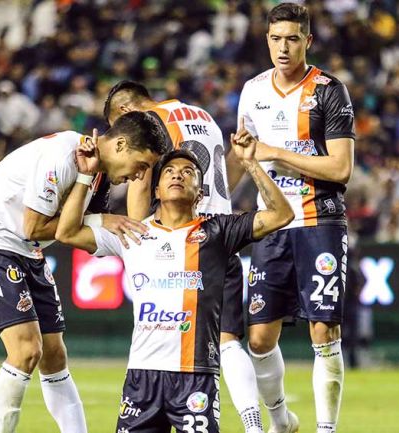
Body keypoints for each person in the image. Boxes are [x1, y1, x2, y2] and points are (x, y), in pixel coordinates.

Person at [54, 138, 293, 432]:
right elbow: (66, 233)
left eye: (188, 171)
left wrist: (250, 164)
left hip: (196, 377)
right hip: (142, 379)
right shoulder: (132, 233)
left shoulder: (218, 230)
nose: (178, 174)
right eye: (169, 171)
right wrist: (84, 176)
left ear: (199, 194)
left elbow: (282, 214)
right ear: (156, 189)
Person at [0, 111, 168, 433]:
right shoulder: (66, 155)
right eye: (141, 165)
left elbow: (75, 231)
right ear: (122, 145)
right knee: (27, 350)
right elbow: (34, 226)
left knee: (54, 355)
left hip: (28, 250)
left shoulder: (95, 173)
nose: (140, 176)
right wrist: (100, 220)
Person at [104, 80, 264, 433]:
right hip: (219, 236)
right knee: (228, 340)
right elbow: (226, 174)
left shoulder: (150, 124)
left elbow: (141, 182)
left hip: (180, 241)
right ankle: (255, 425)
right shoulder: (202, 116)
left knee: (163, 339)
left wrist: (139, 240)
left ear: (126, 113)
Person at [235, 3, 355, 433]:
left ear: (308, 40)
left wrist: (277, 154)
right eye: (275, 39)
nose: (282, 48)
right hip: (272, 225)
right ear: (266, 40)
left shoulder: (329, 90)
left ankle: (326, 429)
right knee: (259, 339)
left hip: (320, 221)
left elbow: (341, 169)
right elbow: (246, 156)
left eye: (291, 38)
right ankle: (282, 421)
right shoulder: (252, 91)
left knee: (323, 332)